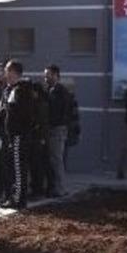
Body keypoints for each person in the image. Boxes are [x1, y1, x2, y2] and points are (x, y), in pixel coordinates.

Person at [0, 60, 36, 209]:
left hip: (19, 135)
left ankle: (18, 200)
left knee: (18, 167)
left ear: (14, 72)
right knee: (13, 167)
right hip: (13, 134)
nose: (5, 74)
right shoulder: (11, 89)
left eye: (7, 71)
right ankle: (13, 196)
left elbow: (13, 111)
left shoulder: (20, 90)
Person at [43, 66, 72, 197]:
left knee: (56, 159)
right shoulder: (51, 90)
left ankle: (61, 188)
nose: (45, 77)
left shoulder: (61, 92)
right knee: (53, 159)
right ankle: (56, 187)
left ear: (55, 75)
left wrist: (53, 123)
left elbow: (60, 112)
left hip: (57, 129)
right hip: (54, 128)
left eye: (47, 75)